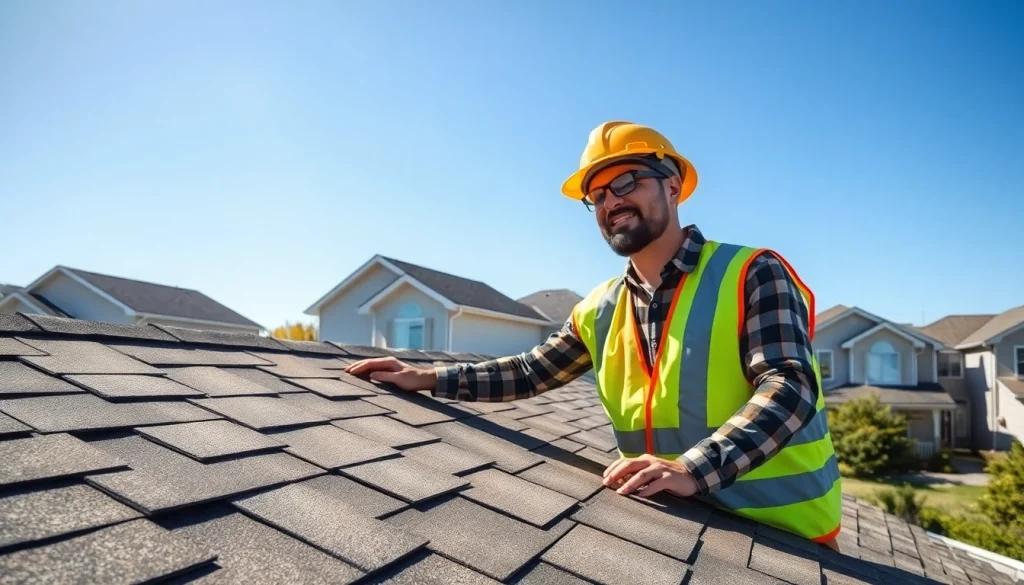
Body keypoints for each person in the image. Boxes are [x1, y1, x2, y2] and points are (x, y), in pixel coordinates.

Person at [345, 121, 843, 549]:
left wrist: (694, 469)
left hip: (783, 539)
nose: (611, 202)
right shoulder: (600, 307)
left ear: (672, 185)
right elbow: (530, 371)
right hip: (670, 525)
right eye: (598, 195)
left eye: (626, 181)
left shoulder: (751, 272)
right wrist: (428, 377)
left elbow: (789, 386)